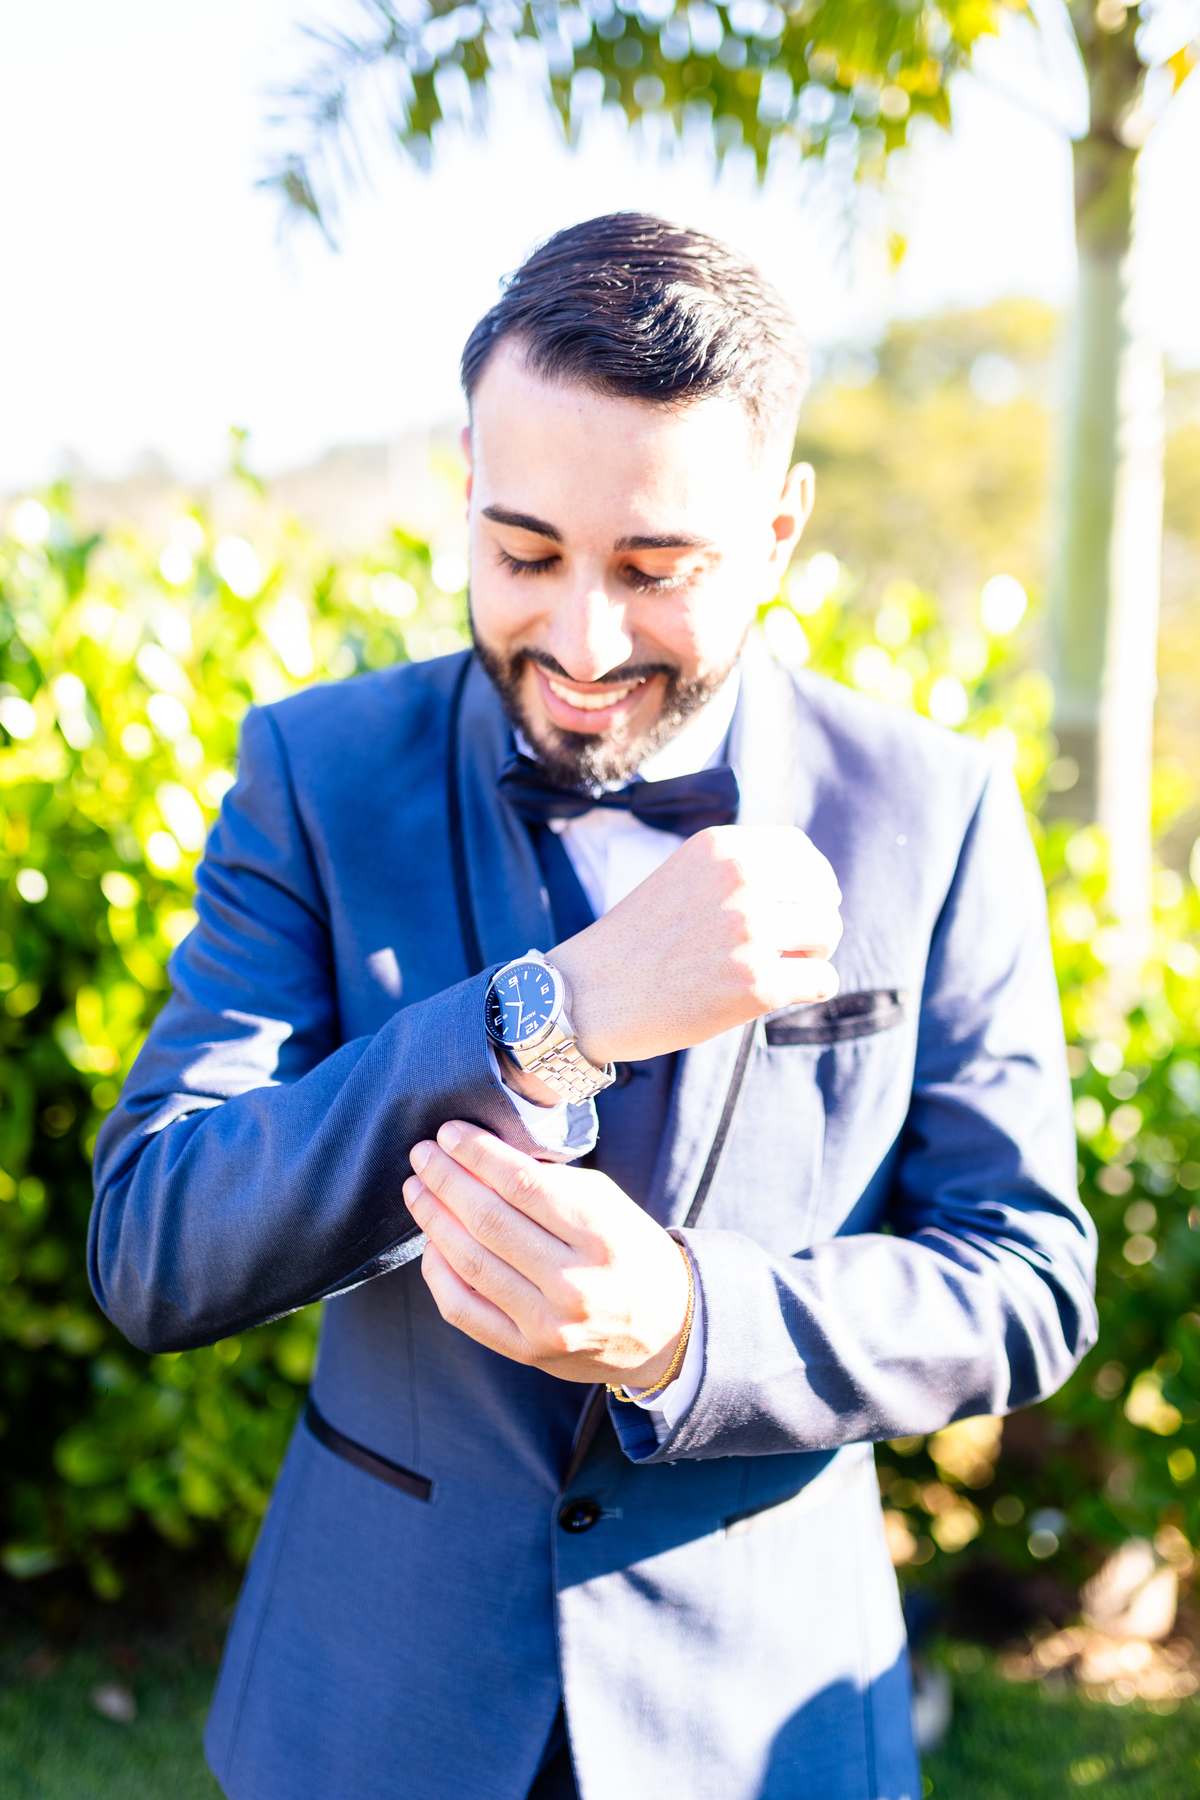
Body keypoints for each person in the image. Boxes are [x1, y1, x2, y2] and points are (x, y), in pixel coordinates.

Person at [90, 213, 1097, 1800]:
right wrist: (549, 1018)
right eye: (524, 554)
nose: (581, 641)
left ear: (779, 530)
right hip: (373, 1711)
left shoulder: (937, 808)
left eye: (654, 569)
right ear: (468, 489)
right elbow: (157, 1243)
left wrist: (689, 1327)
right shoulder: (311, 772)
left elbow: (1025, 1281)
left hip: (766, 1724)